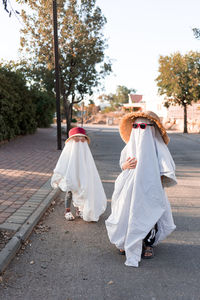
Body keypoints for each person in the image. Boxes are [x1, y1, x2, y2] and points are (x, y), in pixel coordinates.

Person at [105, 111, 177, 267]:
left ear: (151, 128)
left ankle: (148, 243)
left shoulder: (158, 146)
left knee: (149, 213)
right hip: (130, 186)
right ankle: (126, 240)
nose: (139, 129)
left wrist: (159, 178)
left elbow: (166, 167)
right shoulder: (131, 145)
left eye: (143, 126)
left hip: (150, 187)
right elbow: (123, 163)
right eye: (135, 126)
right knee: (126, 211)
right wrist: (125, 166)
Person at [51, 127, 107, 222]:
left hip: (83, 174)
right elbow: (63, 162)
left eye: (82, 139)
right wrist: (60, 175)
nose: (80, 141)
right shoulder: (69, 151)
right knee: (70, 192)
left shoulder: (85, 151)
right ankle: (67, 211)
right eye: (77, 138)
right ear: (72, 140)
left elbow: (89, 164)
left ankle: (79, 210)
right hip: (70, 174)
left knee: (82, 191)